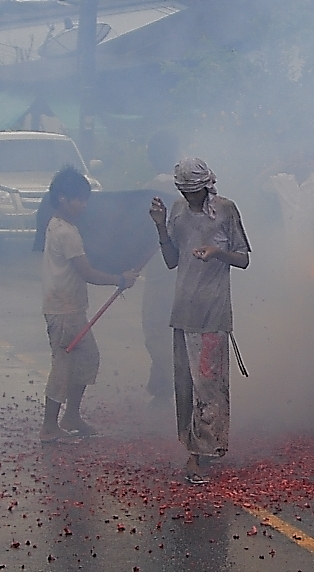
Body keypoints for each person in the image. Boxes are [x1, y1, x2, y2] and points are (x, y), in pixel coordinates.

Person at [148, 157, 250, 484]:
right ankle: (199, 447)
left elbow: (244, 258)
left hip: (213, 313)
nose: (191, 197)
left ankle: (198, 456)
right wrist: (161, 225)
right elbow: (170, 260)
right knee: (188, 387)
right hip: (184, 311)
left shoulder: (226, 210)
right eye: (185, 191)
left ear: (207, 185)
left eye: (195, 191)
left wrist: (217, 252)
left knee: (209, 386)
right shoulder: (177, 211)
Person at [40, 166, 138, 443]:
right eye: (79, 199)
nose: (83, 205)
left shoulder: (60, 225)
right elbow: (87, 272)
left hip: (70, 306)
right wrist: (120, 278)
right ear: (62, 198)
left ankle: (71, 415)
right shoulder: (66, 233)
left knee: (87, 358)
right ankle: (49, 426)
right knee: (63, 366)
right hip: (62, 309)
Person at [141, 131, 181, 401]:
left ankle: (174, 383)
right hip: (186, 270)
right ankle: (161, 385)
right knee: (175, 328)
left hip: (158, 272)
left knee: (156, 329)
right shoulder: (187, 189)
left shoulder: (148, 191)